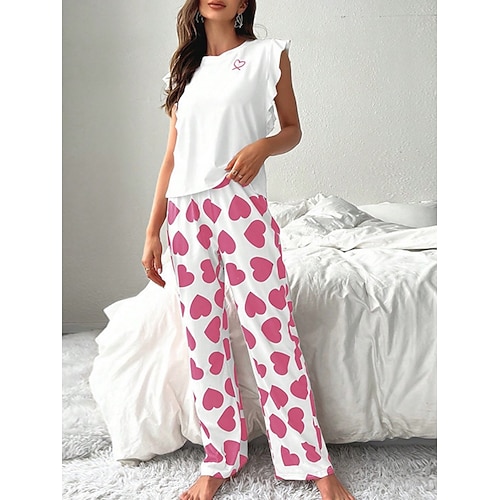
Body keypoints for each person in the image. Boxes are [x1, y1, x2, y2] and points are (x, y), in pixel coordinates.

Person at [141, 1, 355, 499]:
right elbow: (172, 156)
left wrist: (263, 147)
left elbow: (292, 128)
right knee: (203, 339)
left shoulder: (267, 55)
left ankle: (311, 461)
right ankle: (220, 457)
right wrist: (153, 231)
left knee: (271, 330)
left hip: (240, 206)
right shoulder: (185, 70)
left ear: (243, 4)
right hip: (185, 215)